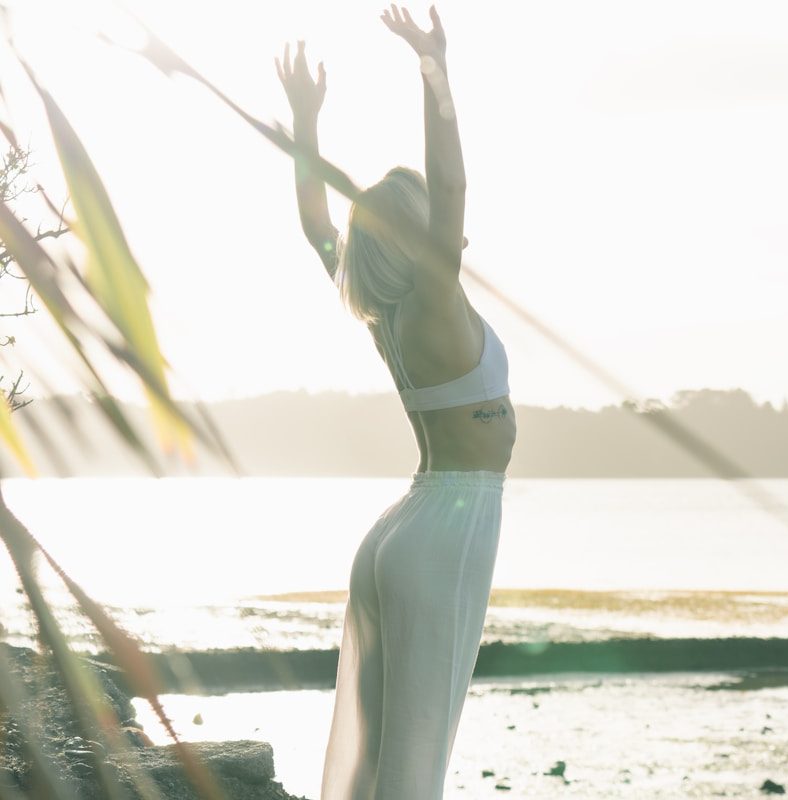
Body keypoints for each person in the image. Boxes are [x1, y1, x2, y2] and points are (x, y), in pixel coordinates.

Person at [276, 5, 516, 798]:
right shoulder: (433, 301)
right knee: (416, 761)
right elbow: (453, 180)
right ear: (416, 232)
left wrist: (307, 126)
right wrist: (432, 67)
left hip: (401, 531)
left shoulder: (388, 319)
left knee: (377, 753)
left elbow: (317, 228)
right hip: (448, 525)